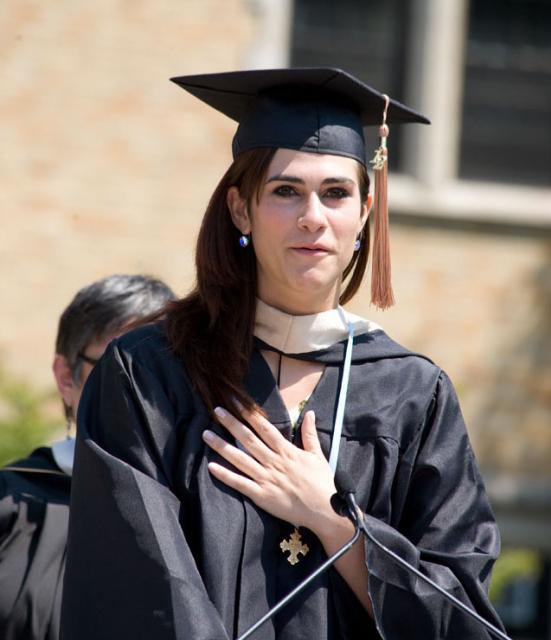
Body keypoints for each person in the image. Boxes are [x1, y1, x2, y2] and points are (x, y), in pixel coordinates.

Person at [61, 68, 505, 639]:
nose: (313, 218)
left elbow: (461, 619)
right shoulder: (147, 375)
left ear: (365, 215)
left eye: (337, 193)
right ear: (241, 210)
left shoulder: (414, 395)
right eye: (285, 191)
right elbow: (137, 589)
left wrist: (332, 518)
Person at [0, 274, 175, 640]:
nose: (146, 391)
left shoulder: (210, 511)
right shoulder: (9, 506)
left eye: (164, 371)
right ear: (67, 378)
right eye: (122, 365)